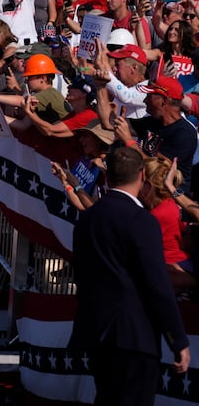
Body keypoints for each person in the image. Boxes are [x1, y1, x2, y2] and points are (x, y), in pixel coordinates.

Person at [68, 147, 190, 406]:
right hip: (136, 337)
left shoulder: (87, 220)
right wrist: (177, 339)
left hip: (98, 336)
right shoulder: (142, 221)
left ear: (108, 176)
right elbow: (157, 284)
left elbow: (81, 274)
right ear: (142, 174)